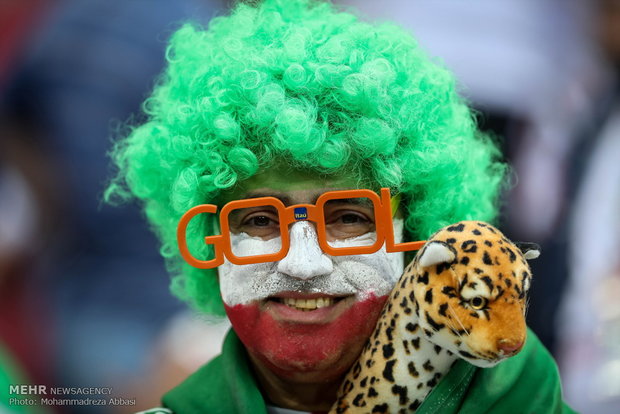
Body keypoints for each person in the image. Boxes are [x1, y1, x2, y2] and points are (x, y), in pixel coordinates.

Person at [107, 0, 572, 412]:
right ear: (209, 242)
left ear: (419, 236)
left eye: (350, 218)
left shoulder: (518, 396)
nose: (303, 265)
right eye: (261, 221)